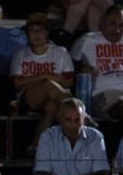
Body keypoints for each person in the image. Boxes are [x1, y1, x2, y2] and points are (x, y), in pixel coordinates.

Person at [70, 5, 123, 131]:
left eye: (121, 25)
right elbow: (69, 64)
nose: (117, 30)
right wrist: (82, 68)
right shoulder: (87, 40)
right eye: (113, 23)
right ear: (103, 23)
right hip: (106, 92)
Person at [10, 12, 75, 146]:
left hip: (54, 100)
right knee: (48, 84)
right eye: (32, 31)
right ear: (27, 34)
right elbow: (17, 83)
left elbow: (69, 81)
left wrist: (33, 79)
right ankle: (78, 112)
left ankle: (36, 146)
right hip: (28, 100)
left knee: (51, 108)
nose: (36, 34)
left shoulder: (60, 52)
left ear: (46, 33)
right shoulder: (20, 55)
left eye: (40, 30)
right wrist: (45, 76)